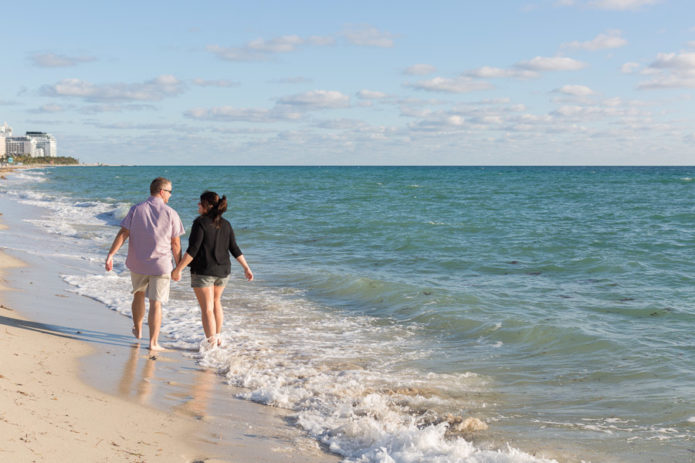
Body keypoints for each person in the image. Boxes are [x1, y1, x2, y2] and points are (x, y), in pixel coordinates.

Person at [105, 177, 185, 351]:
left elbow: (123, 233)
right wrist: (178, 267)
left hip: (138, 263)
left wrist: (111, 254)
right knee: (156, 303)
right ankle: (153, 343)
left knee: (138, 295)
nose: (170, 195)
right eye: (170, 191)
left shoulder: (136, 209)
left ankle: (138, 329)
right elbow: (176, 244)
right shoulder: (171, 213)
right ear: (162, 191)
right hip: (161, 265)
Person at [171, 190, 253, 346]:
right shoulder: (226, 224)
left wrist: (178, 269)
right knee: (216, 303)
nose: (198, 205)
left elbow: (192, 251)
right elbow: (234, 248)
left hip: (203, 271)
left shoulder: (200, 222)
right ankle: (217, 337)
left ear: (206, 206)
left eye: (200, 203)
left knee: (207, 308)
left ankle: (211, 345)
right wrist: (246, 268)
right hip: (223, 272)